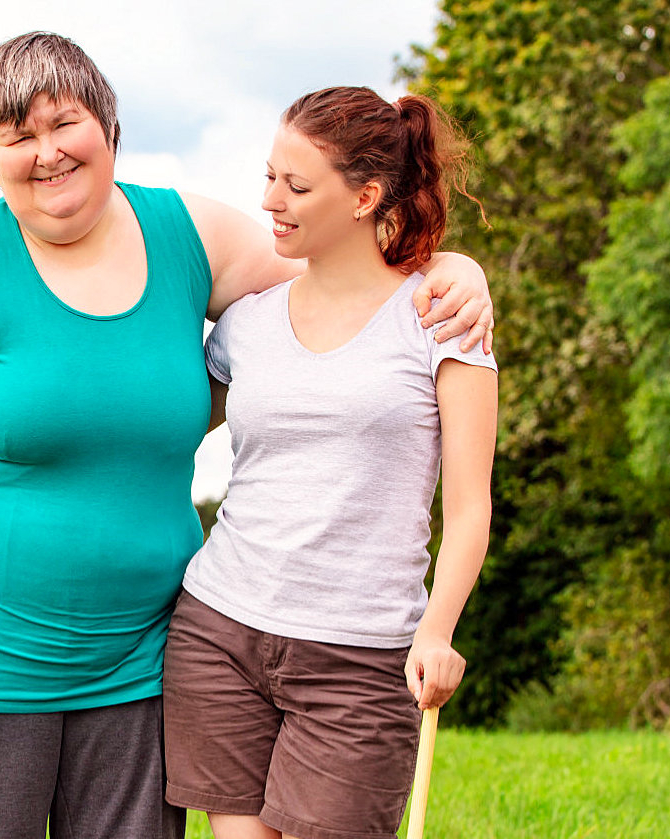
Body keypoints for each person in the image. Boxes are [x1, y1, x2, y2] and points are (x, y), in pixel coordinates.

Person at [0, 33, 494, 839]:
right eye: (16, 136)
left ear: (110, 128)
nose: (47, 152)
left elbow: (342, 266)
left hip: (144, 658)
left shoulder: (190, 235)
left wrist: (450, 270)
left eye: (64, 123)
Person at [161, 86, 498, 839]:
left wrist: (438, 631)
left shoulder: (442, 324)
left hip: (362, 659)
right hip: (221, 633)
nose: (270, 200)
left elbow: (470, 507)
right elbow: (157, 435)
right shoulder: (244, 325)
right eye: (270, 176)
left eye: (297, 185)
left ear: (365, 196)